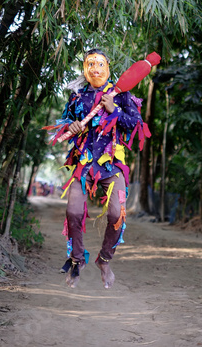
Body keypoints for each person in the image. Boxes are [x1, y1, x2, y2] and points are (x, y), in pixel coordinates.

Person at [48, 49, 150, 289]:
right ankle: (77, 259)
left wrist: (114, 109)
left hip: (112, 165)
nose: (95, 68)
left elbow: (134, 123)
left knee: (117, 215)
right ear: (84, 69)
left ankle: (104, 260)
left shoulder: (121, 94)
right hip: (83, 164)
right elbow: (62, 127)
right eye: (90, 64)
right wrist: (69, 127)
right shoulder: (76, 97)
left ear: (108, 67)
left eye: (100, 64)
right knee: (73, 212)